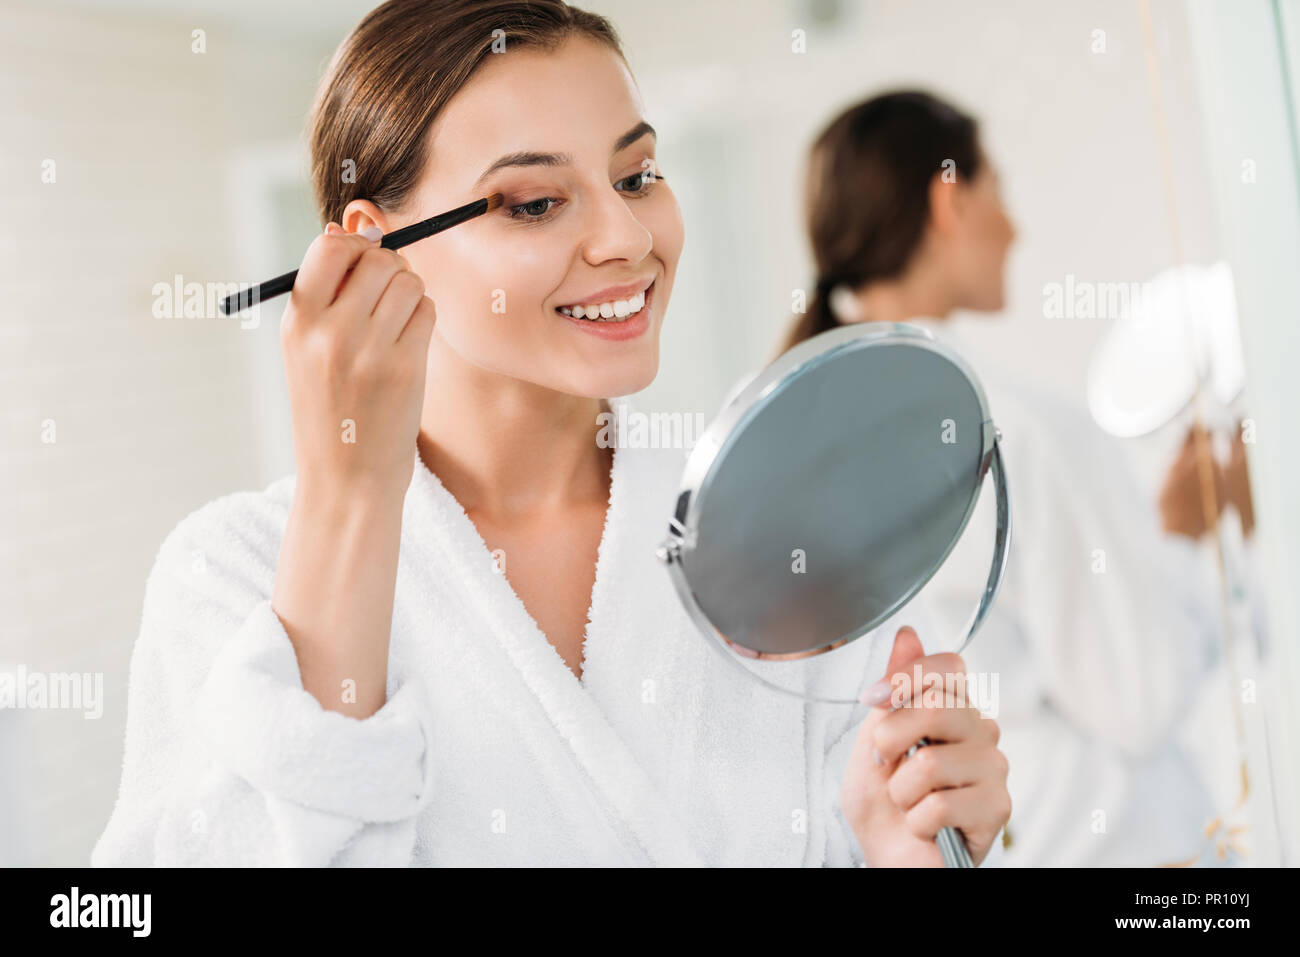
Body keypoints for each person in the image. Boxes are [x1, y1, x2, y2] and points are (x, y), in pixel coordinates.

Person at [91, 4, 1009, 867]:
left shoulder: (785, 528)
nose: (624, 238)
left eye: (638, 176)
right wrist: (348, 494)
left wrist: (897, 846)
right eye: (534, 203)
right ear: (378, 247)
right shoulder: (231, 575)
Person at [775, 90, 1220, 866]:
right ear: (948, 198)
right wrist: (1186, 530)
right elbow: (1140, 698)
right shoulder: (1017, 424)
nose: (1014, 227)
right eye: (998, 191)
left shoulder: (800, 442)